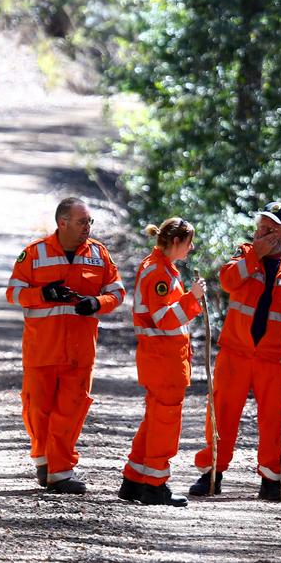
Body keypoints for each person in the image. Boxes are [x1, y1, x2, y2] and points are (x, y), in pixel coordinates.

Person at [187, 202, 281, 502]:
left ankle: (272, 479)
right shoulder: (245, 253)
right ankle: (212, 474)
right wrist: (255, 255)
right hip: (237, 351)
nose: (263, 233)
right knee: (222, 411)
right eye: (261, 227)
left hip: (276, 356)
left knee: (277, 416)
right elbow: (228, 281)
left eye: (271, 229)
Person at [5, 197, 125, 494]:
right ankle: (43, 461)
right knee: (38, 410)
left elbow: (117, 292)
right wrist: (44, 293)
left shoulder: (99, 254)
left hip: (80, 350)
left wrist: (97, 302)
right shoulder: (34, 254)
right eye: (82, 221)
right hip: (42, 349)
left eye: (89, 222)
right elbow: (14, 293)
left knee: (71, 410)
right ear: (63, 223)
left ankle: (60, 471)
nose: (88, 227)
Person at [119, 217, 206, 507]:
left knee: (155, 420)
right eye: (189, 243)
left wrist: (189, 299)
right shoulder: (158, 271)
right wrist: (192, 299)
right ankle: (155, 486)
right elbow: (164, 319)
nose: (191, 249)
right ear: (177, 242)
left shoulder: (161, 267)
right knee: (166, 421)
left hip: (163, 357)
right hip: (163, 358)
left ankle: (134, 479)